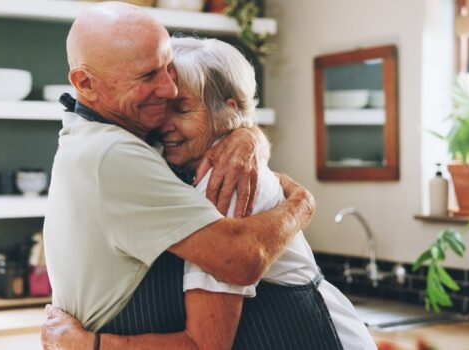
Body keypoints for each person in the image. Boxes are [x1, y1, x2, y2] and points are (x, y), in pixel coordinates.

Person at [42, 37, 377, 349]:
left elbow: (206, 344)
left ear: (227, 110)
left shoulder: (229, 184)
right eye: (162, 107)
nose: (164, 125)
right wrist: (251, 136)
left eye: (183, 109)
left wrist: (91, 344)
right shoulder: (167, 160)